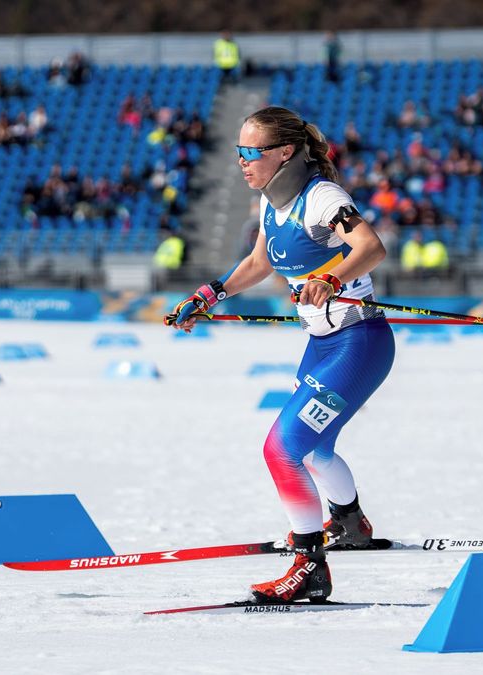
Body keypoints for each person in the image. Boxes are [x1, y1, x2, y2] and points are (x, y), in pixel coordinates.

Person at [167, 106, 393, 605]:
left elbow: (370, 247)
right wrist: (210, 294)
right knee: (312, 450)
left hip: (359, 343)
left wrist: (330, 277)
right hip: (322, 345)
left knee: (281, 449)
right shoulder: (272, 202)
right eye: (238, 152)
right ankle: (350, 522)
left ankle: (309, 566)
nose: (242, 162)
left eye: (251, 152)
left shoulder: (322, 198)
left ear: (284, 152)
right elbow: (259, 262)